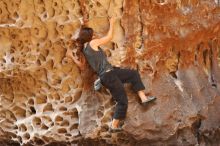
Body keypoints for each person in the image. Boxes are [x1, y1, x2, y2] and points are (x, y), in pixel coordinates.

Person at [66, 17, 156, 132]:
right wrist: (112, 23)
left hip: (111, 73)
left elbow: (82, 66)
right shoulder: (92, 43)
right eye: (93, 34)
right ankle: (114, 126)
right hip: (108, 76)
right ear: (89, 37)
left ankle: (143, 98)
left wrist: (82, 24)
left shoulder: (84, 49)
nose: (95, 35)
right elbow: (109, 37)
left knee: (133, 74)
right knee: (122, 101)